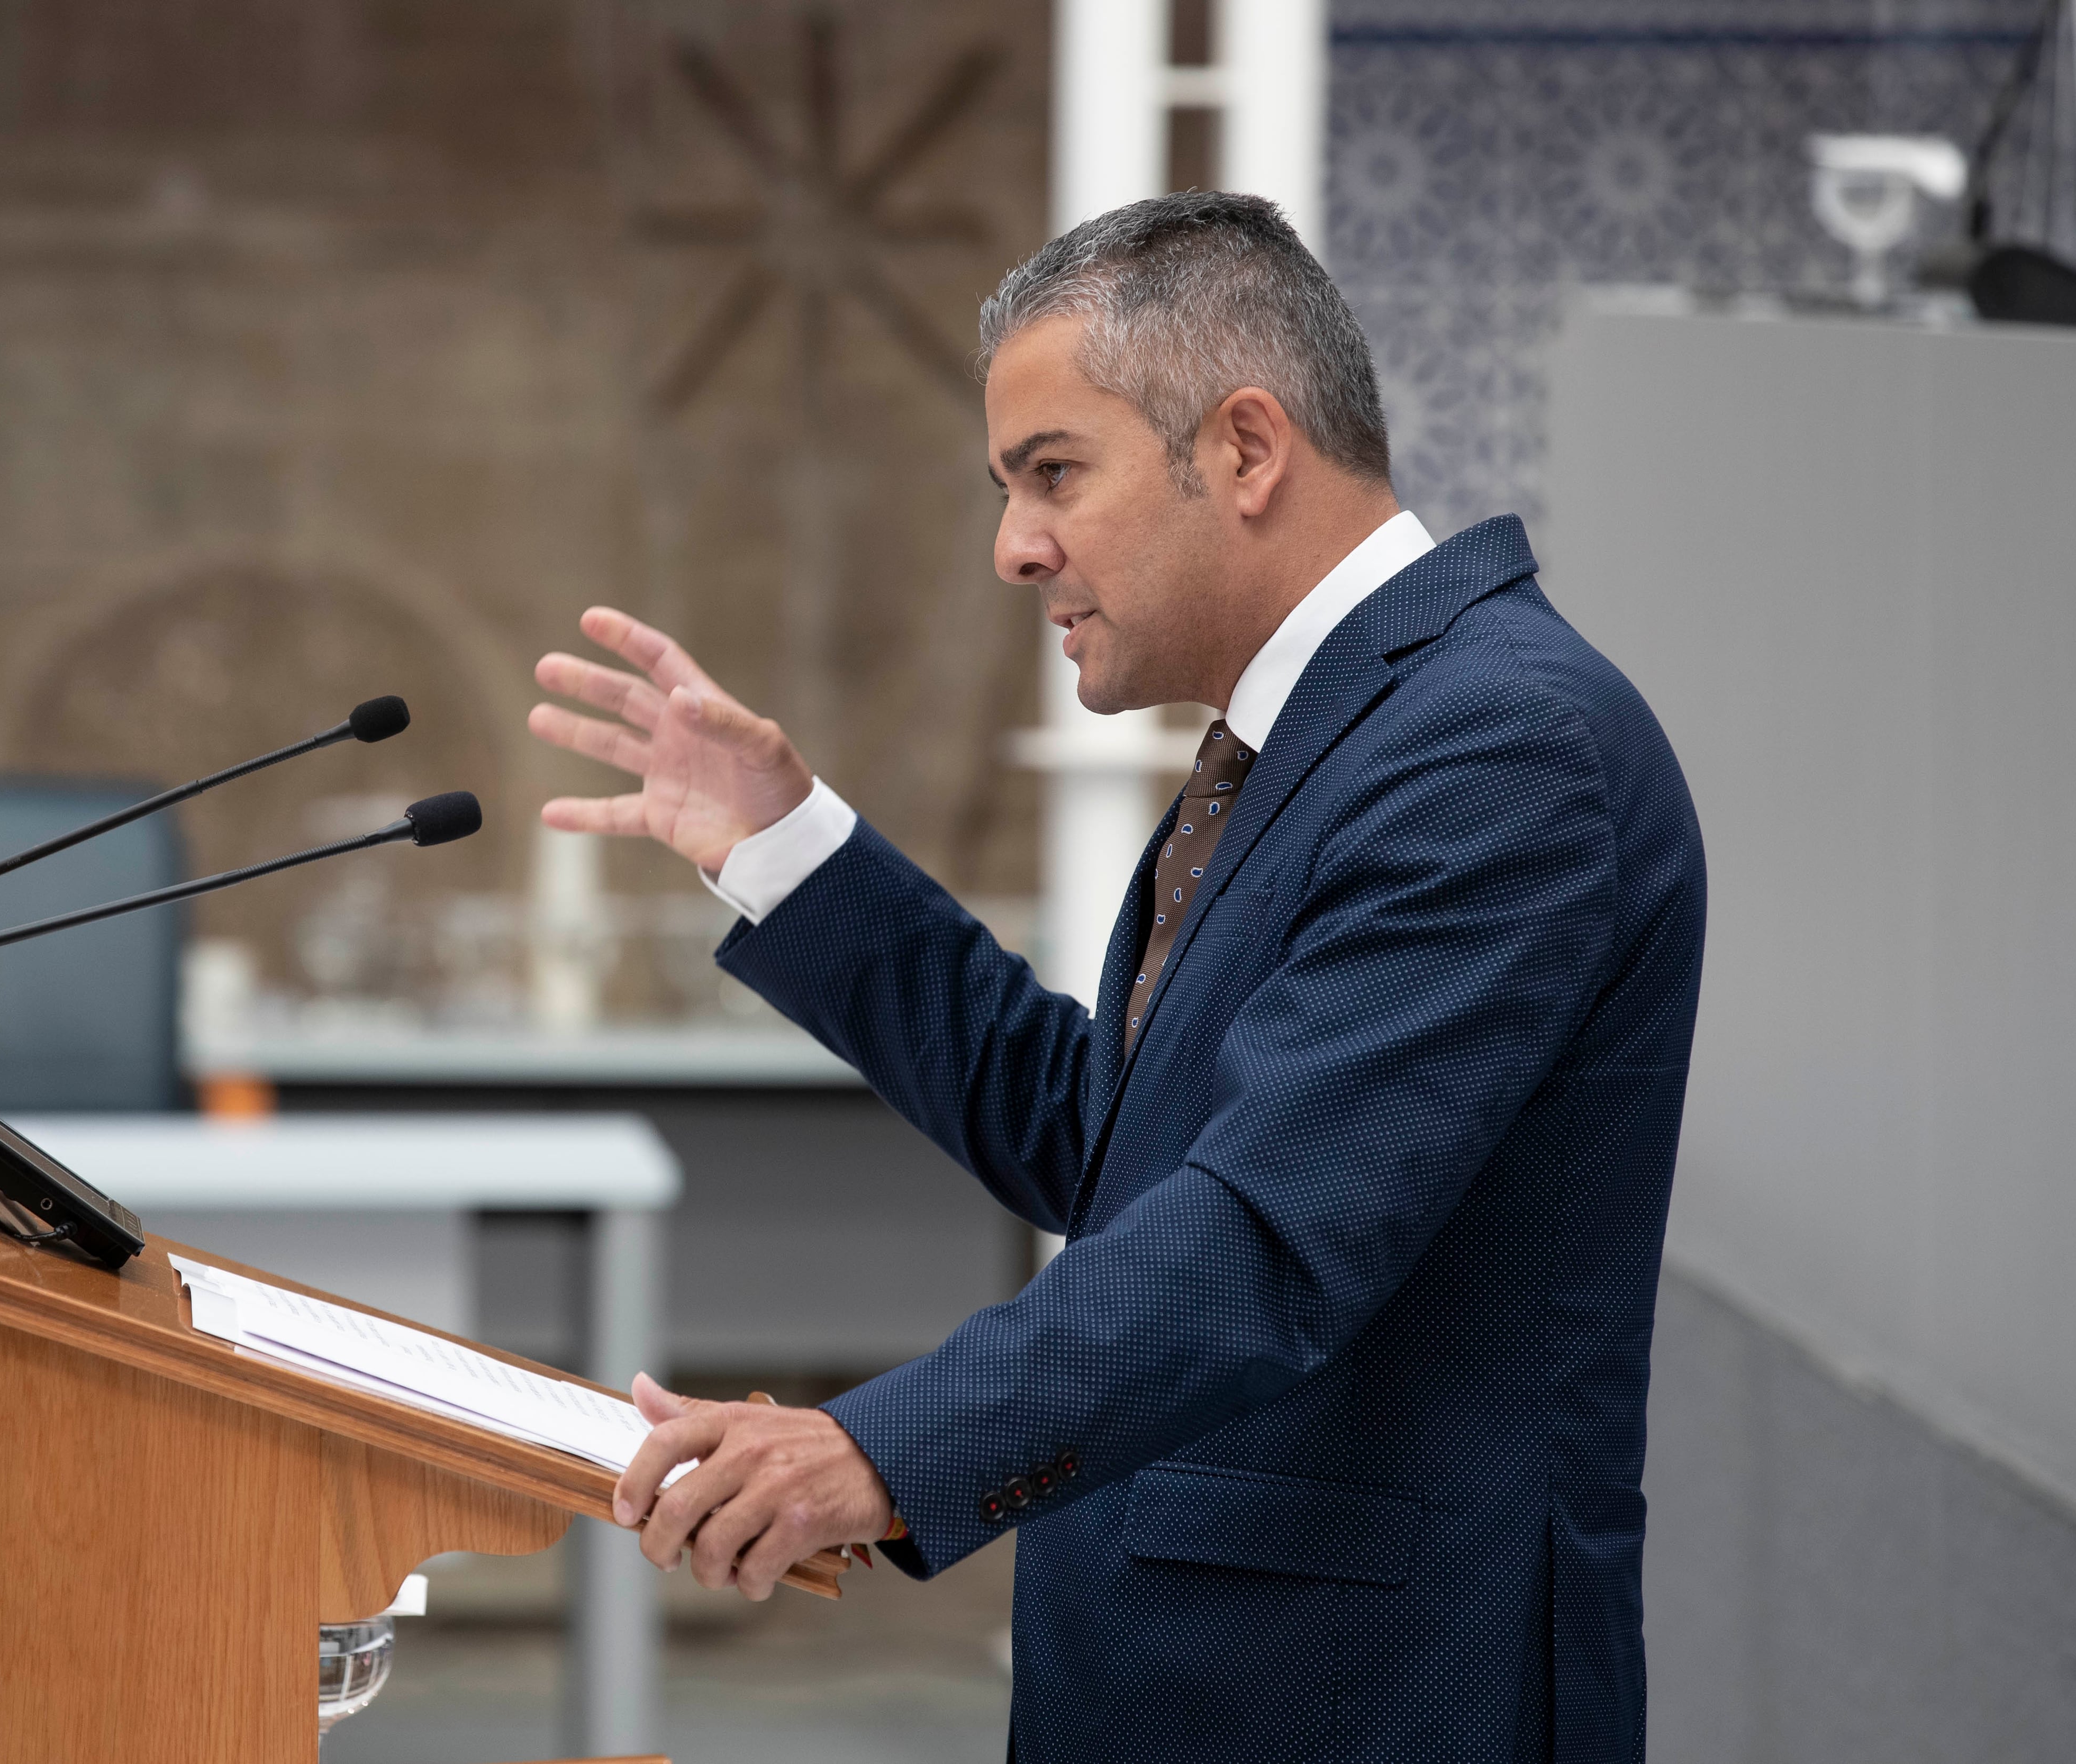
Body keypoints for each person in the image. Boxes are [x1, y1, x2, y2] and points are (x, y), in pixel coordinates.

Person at [528, 192, 1703, 1762]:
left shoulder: (1500, 747)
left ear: (1245, 448)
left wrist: (870, 1447)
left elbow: (1266, 1238)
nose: (1016, 548)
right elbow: (1108, 1147)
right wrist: (788, 851)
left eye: (1054, 475)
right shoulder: (1320, 741)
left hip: (1370, 1696)